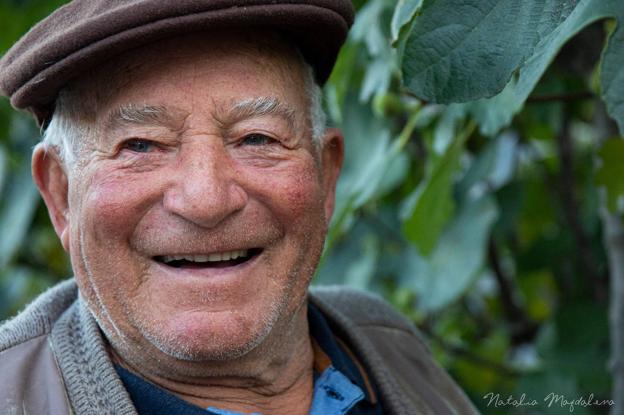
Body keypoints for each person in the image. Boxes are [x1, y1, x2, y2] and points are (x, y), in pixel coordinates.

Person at [0, 1, 478, 414]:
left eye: (257, 138)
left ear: (326, 176)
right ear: (61, 195)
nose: (206, 200)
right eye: (141, 145)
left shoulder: (389, 350)